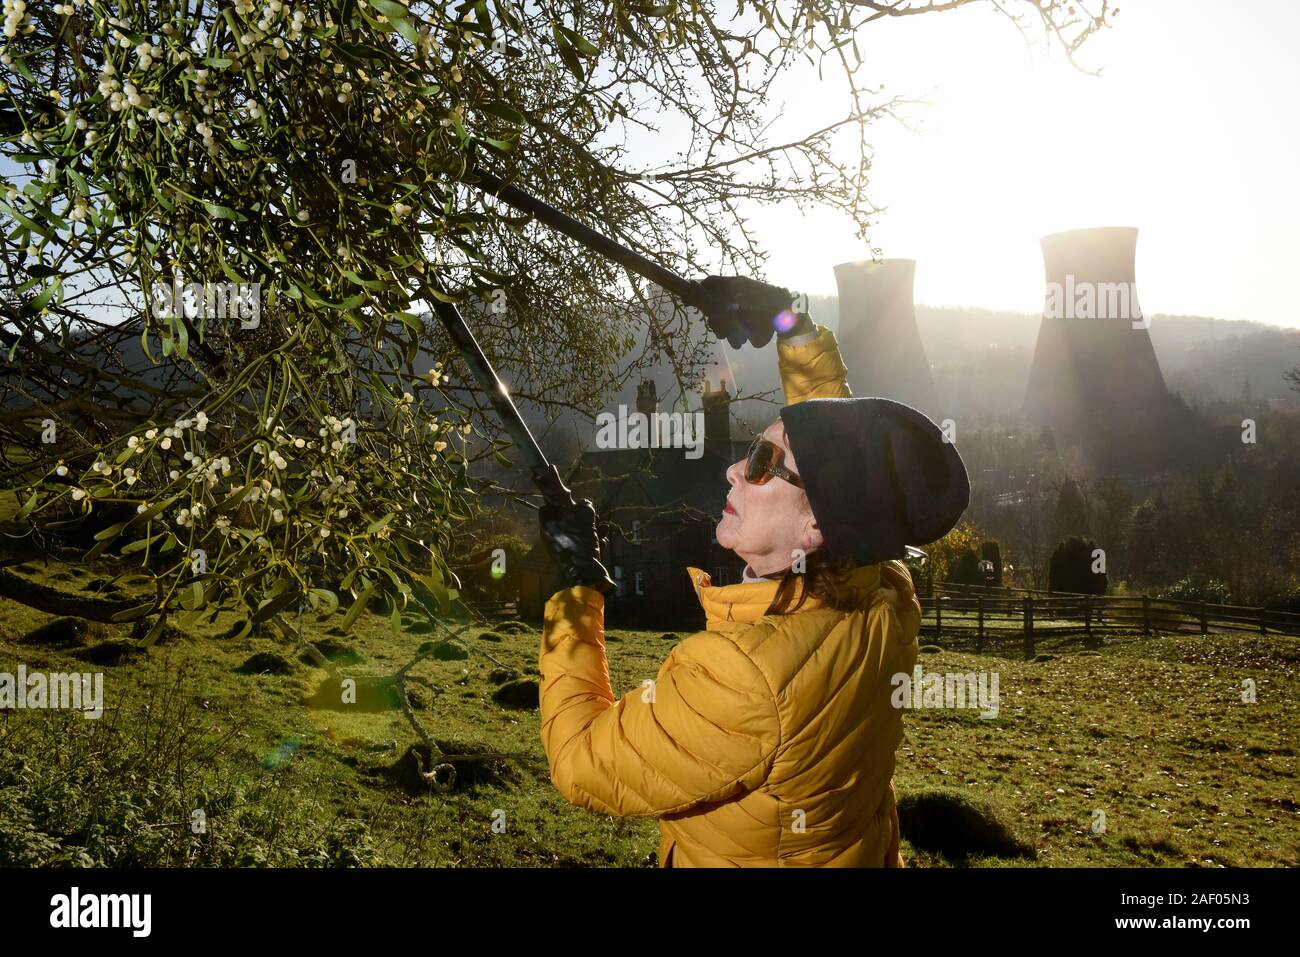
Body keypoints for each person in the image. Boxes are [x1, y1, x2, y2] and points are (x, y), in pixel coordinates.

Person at [532, 275, 970, 867]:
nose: (735, 470)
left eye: (764, 462)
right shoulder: (882, 592)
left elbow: (582, 761)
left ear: (817, 527)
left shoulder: (742, 678)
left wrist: (575, 592)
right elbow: (841, 453)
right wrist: (791, 326)